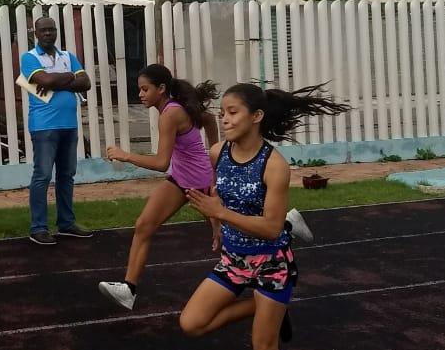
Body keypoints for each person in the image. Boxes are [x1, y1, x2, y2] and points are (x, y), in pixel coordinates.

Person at [178, 83, 349, 350]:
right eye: (223, 113)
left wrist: (221, 214)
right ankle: (267, 309)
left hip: (271, 264)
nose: (224, 119)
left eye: (233, 112)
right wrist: (215, 221)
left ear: (256, 116)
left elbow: (272, 228)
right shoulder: (217, 152)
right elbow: (215, 192)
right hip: (233, 259)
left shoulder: (274, 166)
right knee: (191, 324)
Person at [100, 64, 314, 310]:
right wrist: (218, 150)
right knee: (144, 225)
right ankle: (129, 288)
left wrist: (125, 156)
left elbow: (161, 163)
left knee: (232, 231)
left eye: (145, 89)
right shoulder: (176, 108)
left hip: (200, 180)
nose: (140, 94)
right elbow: (210, 120)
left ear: (161, 89)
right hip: (181, 178)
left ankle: (286, 226)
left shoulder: (170, 114)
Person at [20, 16, 94, 245]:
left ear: (57, 32)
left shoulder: (67, 56)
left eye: (52, 30)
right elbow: (45, 79)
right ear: (36, 33)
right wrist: (70, 77)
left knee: (66, 175)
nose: (48, 34)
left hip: (69, 125)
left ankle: (66, 223)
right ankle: (38, 227)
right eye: (43, 30)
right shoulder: (29, 57)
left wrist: (57, 80)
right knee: (42, 176)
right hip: (43, 126)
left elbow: (87, 83)